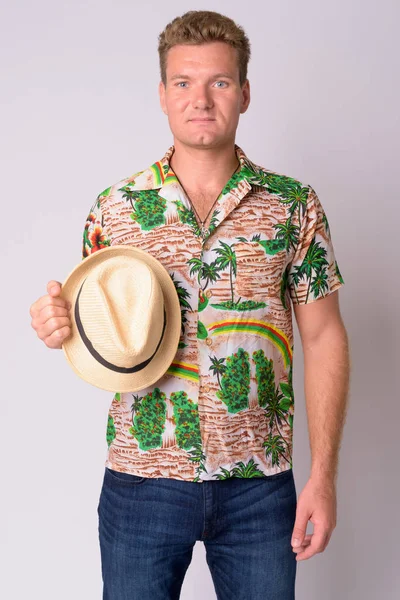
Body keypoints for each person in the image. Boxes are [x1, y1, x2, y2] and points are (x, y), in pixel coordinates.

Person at [29, 9, 350, 600]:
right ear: (162, 94)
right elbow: (93, 327)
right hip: (141, 481)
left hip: (261, 485)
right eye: (183, 82)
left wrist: (324, 477)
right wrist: (56, 326)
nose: (200, 99)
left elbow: (325, 334)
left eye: (219, 82)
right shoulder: (116, 207)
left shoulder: (293, 205)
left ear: (245, 93)